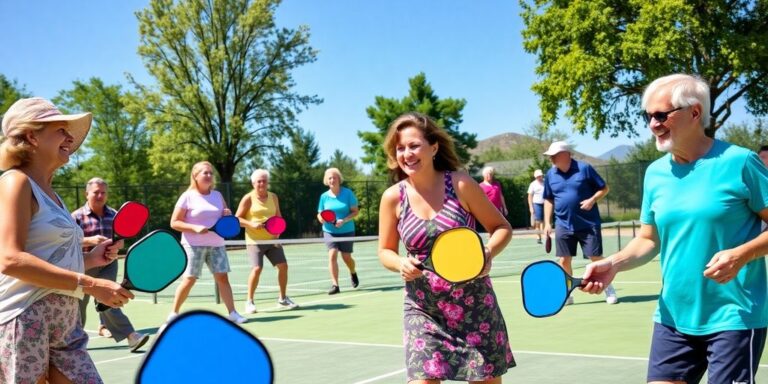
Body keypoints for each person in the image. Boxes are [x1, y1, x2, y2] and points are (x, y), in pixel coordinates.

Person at [582, 74, 768, 384]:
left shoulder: (740, 162)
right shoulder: (655, 174)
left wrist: (742, 254)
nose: (653, 123)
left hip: (733, 315)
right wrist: (612, 264)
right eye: (648, 116)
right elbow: (647, 240)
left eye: (661, 114)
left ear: (695, 112)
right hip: (672, 316)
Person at [0, 97, 132, 383]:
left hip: (66, 321)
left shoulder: (55, 196)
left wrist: (90, 260)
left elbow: (49, 258)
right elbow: (10, 260)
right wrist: (92, 284)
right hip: (24, 318)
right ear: (32, 136)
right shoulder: (16, 181)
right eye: (60, 129)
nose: (70, 137)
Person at [378, 112, 515, 383]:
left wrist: (486, 253)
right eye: (401, 148)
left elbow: (502, 228)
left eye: (414, 145)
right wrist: (400, 264)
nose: (407, 153)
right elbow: (385, 251)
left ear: (434, 147)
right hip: (423, 307)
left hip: (475, 305)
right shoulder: (393, 197)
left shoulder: (460, 183)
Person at [71, 177, 149, 352]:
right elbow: (66, 243)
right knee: (79, 304)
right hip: (85, 263)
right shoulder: (75, 216)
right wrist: (88, 240)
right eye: (96, 192)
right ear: (87, 194)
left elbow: (121, 240)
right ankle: (75, 342)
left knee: (109, 298)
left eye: (103, 192)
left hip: (108, 264)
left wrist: (117, 245)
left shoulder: (114, 214)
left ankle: (131, 336)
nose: (100, 195)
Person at [165, 161, 246, 325]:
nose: (209, 176)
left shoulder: (217, 196)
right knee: (189, 279)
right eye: (205, 173)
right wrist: (194, 227)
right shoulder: (187, 197)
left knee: (223, 278)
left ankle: (233, 313)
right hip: (193, 245)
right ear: (195, 176)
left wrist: (226, 214)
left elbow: (224, 217)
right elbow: (174, 222)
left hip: (217, 244)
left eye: (210, 173)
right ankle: (173, 314)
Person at [542, 140, 617, 305]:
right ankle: (567, 294)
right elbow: (548, 199)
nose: (551, 159)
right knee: (563, 260)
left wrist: (592, 199)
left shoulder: (585, 168)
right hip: (563, 224)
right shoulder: (550, 175)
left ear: (565, 154)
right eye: (550, 156)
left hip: (588, 224)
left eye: (554, 156)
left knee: (596, 258)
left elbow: (604, 188)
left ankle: (609, 288)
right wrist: (547, 223)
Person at [235, 169, 298, 313]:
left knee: (283, 266)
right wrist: (251, 224)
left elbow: (279, 217)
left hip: (272, 239)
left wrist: (278, 232)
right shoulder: (248, 198)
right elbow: (236, 219)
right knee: (257, 269)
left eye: (264, 181)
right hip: (254, 241)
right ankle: (249, 301)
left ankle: (282, 299)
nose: (262, 184)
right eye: (259, 181)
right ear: (253, 183)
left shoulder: (273, 197)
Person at [317, 167, 360, 295]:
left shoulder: (348, 193)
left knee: (346, 257)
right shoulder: (324, 197)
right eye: (329, 178)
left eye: (334, 178)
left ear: (339, 179)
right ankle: (335, 285)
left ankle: (353, 272)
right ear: (327, 180)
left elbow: (355, 211)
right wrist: (321, 219)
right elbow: (320, 214)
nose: (332, 180)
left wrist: (344, 220)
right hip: (329, 231)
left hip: (347, 230)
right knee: (332, 254)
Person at [527, 169, 545, 244]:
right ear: (535, 177)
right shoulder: (533, 184)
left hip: (545, 204)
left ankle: (544, 236)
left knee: (544, 221)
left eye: (540, 176)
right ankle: (538, 237)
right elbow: (530, 196)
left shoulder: (546, 182)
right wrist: (531, 207)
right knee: (538, 221)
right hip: (536, 204)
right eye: (538, 176)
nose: (539, 177)